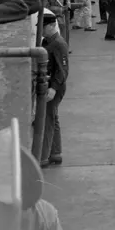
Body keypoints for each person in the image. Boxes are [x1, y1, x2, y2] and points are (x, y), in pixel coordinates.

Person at [40, 11, 69, 167]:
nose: (41, 29)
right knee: (52, 118)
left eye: (43, 26)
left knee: (47, 120)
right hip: (52, 85)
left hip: (54, 86)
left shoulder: (57, 44)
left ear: (51, 25)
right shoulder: (48, 42)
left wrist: (53, 89)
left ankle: (43, 156)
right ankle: (55, 153)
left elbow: (62, 70)